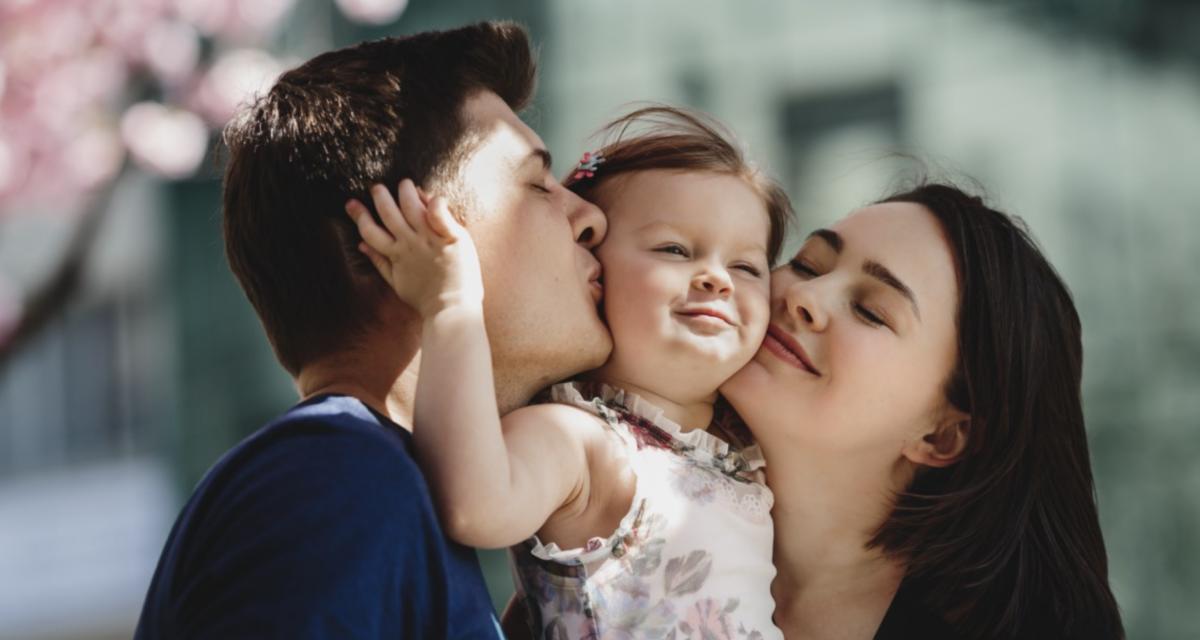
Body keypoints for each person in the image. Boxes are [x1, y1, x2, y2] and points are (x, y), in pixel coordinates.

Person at [135, 21, 613, 638]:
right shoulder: (332, 480)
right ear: (384, 242)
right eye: (535, 184)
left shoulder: (365, 480)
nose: (589, 216)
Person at [346, 106, 793, 639]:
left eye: (746, 267)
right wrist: (449, 305)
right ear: (593, 272)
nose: (717, 278)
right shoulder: (581, 440)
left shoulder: (740, 450)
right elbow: (475, 507)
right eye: (674, 249)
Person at [721, 183, 1124, 639]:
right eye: (807, 264)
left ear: (942, 436)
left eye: (871, 311)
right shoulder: (641, 499)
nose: (806, 296)